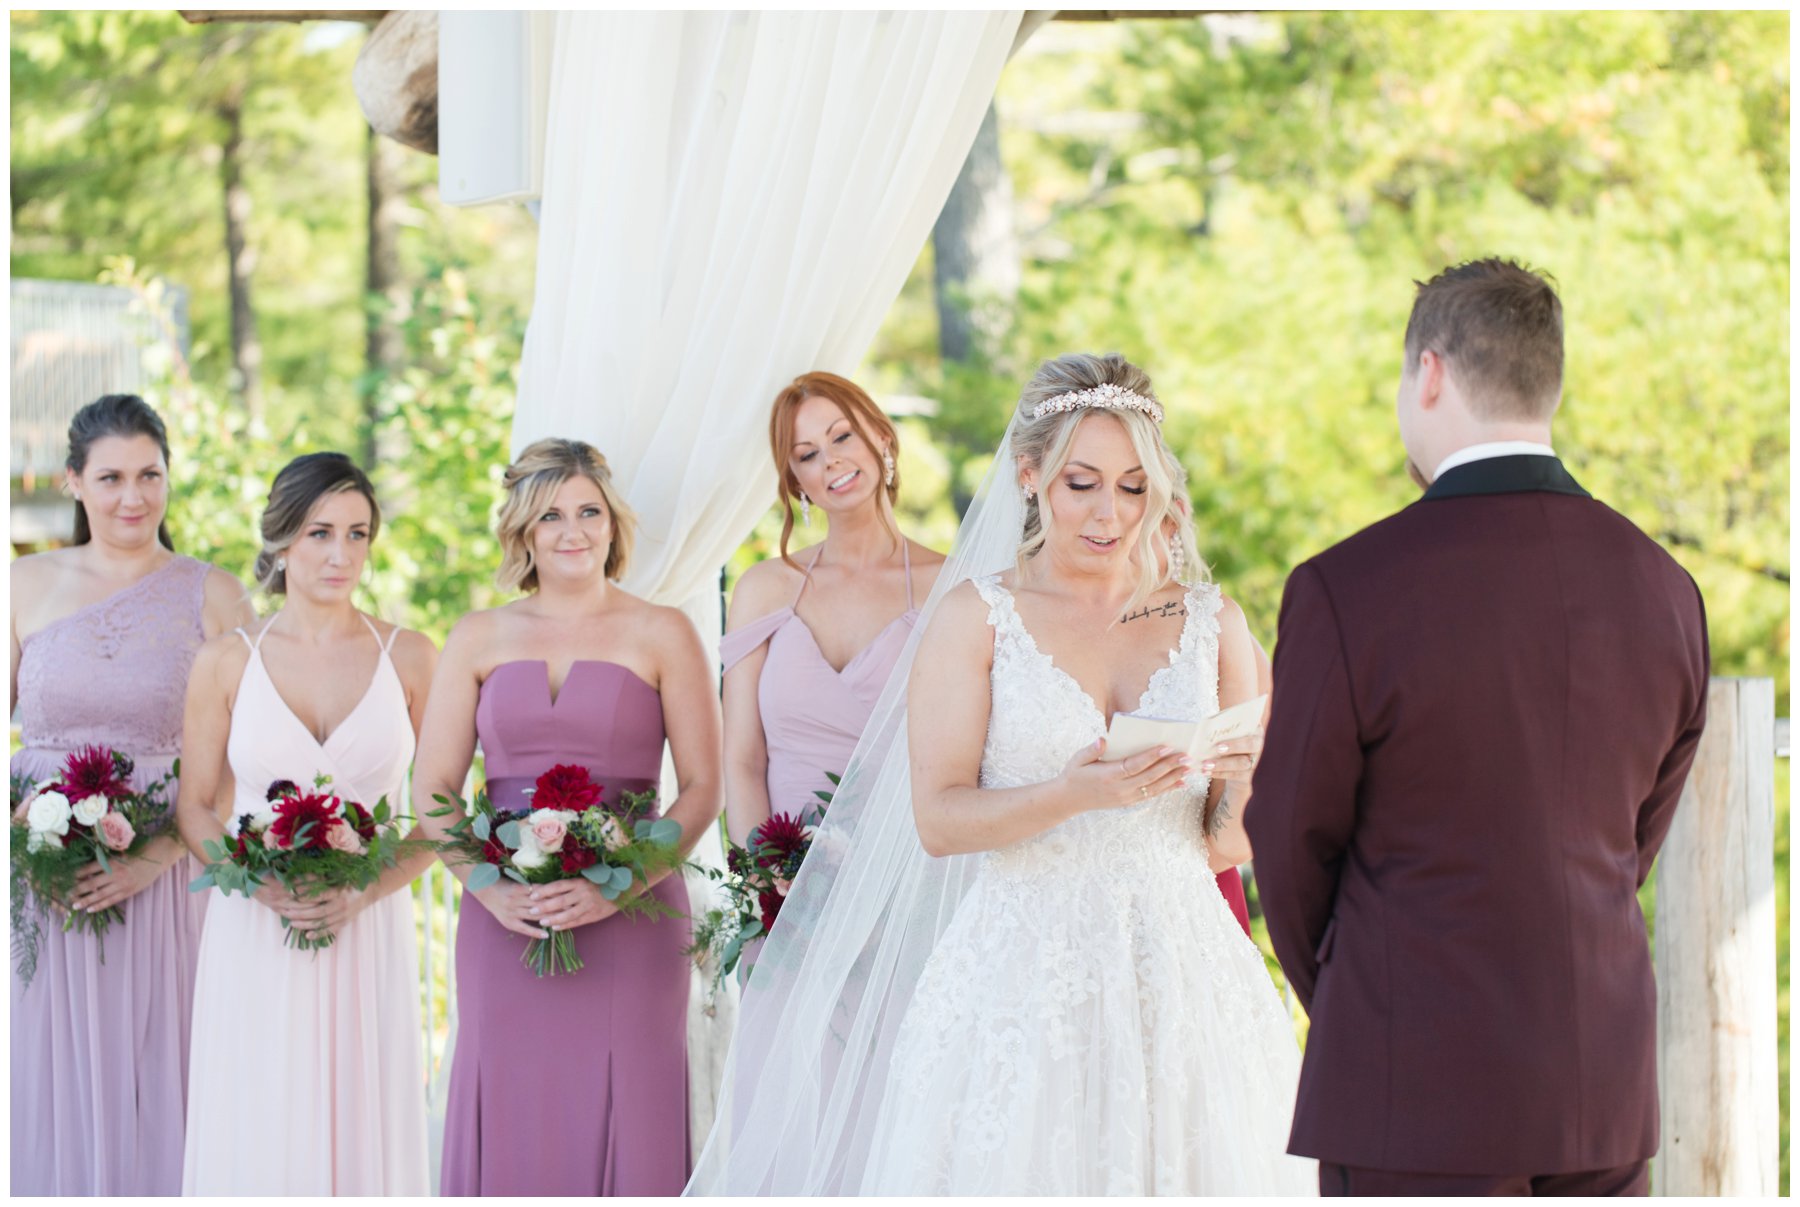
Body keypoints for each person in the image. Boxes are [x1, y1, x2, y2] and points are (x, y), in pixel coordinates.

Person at [688, 354, 1314, 1195]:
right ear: (1029, 475)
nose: (1109, 513)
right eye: (1080, 482)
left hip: (1181, 971)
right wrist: (1072, 792)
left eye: (1133, 487)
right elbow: (939, 820)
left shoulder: (1213, 619)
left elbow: (1224, 841)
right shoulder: (974, 615)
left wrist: (1244, 776)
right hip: (1023, 972)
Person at [1246, 259, 1710, 1197]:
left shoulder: (1347, 588)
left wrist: (1360, 992)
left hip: (1409, 1088)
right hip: (1599, 1087)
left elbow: (1289, 842)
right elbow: (1632, 838)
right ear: (1550, 381)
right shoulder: (1667, 587)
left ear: (1429, 374)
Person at [418, 438, 723, 1196]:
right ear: (523, 530)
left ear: (613, 523)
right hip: (504, 918)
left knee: (631, 1109)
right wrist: (488, 890)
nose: (573, 530)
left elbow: (703, 787)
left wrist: (616, 885)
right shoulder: (476, 636)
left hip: (636, 919)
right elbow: (433, 794)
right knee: (509, 1106)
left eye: (589, 511)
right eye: (551, 514)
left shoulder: (664, 631)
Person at [9, 394, 253, 1196]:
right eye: (110, 477)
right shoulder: (20, 584)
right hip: (42, 883)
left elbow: (242, 755)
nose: (133, 496)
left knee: (164, 1070)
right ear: (73, 482)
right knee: (47, 1072)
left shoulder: (213, 594)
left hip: (169, 880)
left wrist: (155, 856)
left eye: (150, 474)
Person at [176, 453, 438, 1193]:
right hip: (255, 927)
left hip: (368, 927)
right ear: (281, 538)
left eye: (357, 534)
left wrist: (363, 890)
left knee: (363, 1122)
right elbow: (196, 807)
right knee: (258, 1119)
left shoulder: (413, 656)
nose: (341, 554)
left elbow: (441, 813)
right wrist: (258, 886)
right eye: (320, 532)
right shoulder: (227, 662)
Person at [722, 372, 944, 848]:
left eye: (842, 435)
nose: (832, 460)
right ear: (797, 481)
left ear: (882, 436)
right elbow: (742, 758)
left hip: (907, 867)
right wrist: (763, 882)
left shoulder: (950, 587)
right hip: (783, 886)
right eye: (807, 455)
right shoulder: (763, 588)